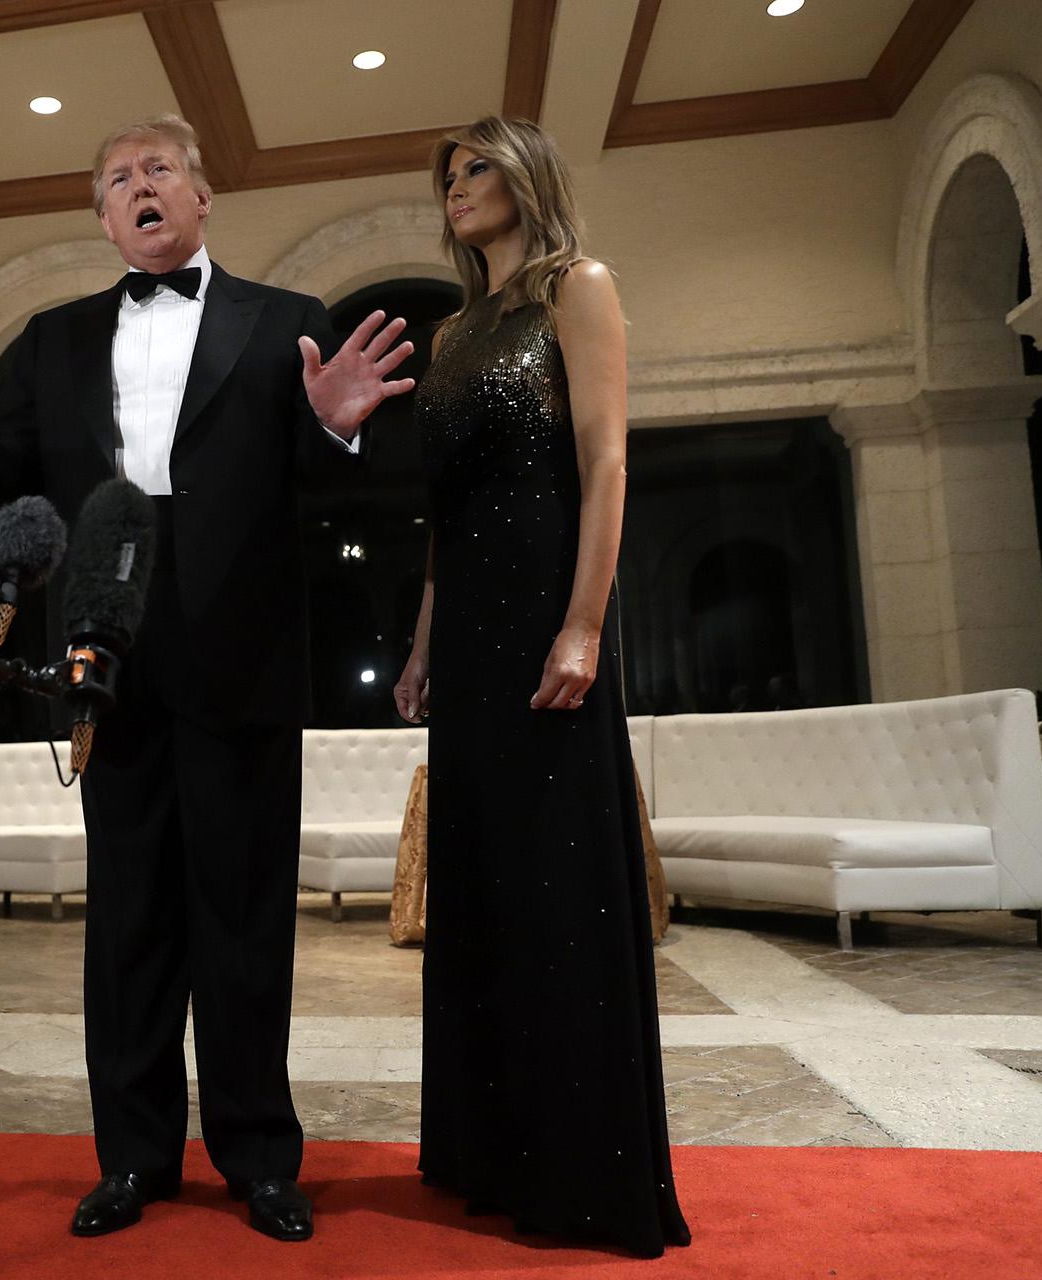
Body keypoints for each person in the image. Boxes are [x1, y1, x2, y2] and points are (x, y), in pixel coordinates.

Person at [0, 114, 414, 1243]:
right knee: (133, 920)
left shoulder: (287, 324)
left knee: (244, 919)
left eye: (158, 170)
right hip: (109, 652)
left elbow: (315, 467)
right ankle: (134, 1157)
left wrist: (338, 429)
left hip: (241, 657)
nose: (138, 187)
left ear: (201, 199)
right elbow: (15, 469)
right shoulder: (53, 340)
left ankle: (258, 1156)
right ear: (103, 219)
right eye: (116, 180)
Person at [392, 116, 692, 1257]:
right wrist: (423, 640)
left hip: (543, 622)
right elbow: (443, 512)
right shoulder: (455, 328)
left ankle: (582, 1168)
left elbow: (606, 458)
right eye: (448, 176)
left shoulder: (579, 287)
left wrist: (583, 623)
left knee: (558, 887)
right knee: (484, 887)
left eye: (475, 167)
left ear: (527, 177)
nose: (457, 187)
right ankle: (494, 1151)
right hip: (466, 637)